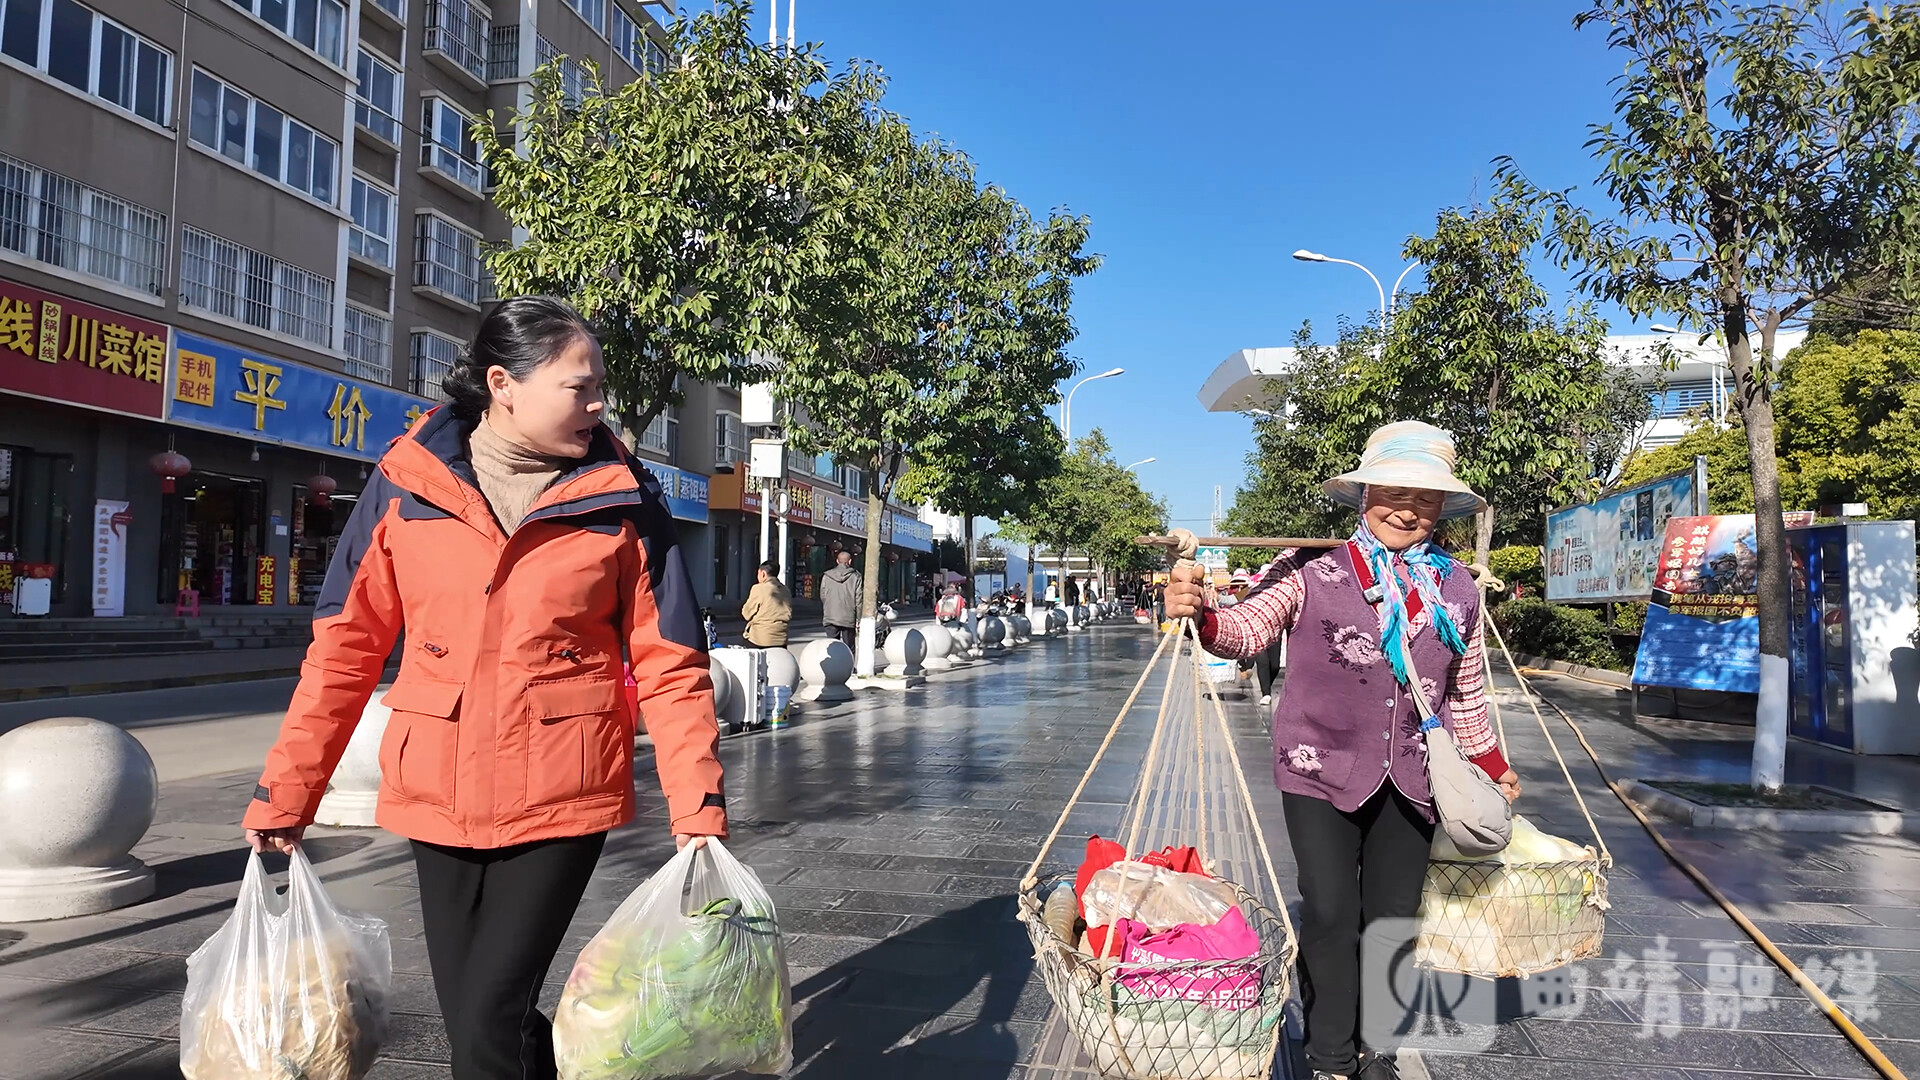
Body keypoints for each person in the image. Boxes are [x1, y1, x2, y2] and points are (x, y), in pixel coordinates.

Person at [241, 297, 727, 1080]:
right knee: (483, 1015)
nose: (598, 404)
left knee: (486, 1021)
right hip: (438, 788)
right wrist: (285, 795)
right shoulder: (406, 486)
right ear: (503, 384)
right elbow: (343, 651)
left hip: (564, 791)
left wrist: (697, 806)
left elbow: (671, 662)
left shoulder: (624, 499)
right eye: (579, 387)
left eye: (600, 386)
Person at [1164, 421, 1520, 1080]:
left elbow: (1464, 690)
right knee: (1329, 911)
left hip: (1413, 775)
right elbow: (1247, 629)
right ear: (1365, 495)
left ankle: (1378, 1047)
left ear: (1443, 508)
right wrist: (1203, 613)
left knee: (1393, 918)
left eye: (1425, 499)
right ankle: (1330, 1051)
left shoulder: (1458, 588)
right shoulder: (1309, 568)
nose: (1408, 510)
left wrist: (1492, 764)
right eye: (1394, 493)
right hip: (1317, 769)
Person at [740, 560, 792, 648]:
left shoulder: (759, 588)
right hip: (781, 639)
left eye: (758, 573)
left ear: (763, 574)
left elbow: (746, 614)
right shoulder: (786, 590)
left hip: (760, 639)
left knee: (742, 650)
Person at [819, 548, 862, 648]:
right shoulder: (856, 576)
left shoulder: (827, 576)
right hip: (849, 617)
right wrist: (859, 618)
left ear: (837, 561)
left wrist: (828, 607)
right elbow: (858, 599)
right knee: (849, 648)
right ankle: (849, 659)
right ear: (849, 561)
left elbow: (823, 595)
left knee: (833, 647)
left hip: (830, 616)